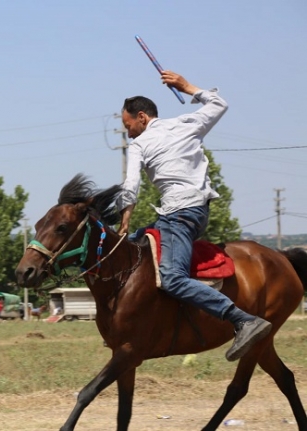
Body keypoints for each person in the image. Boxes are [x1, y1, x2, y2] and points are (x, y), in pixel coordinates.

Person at [116, 71, 271, 362]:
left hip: (178, 214)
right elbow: (219, 105)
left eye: (128, 125)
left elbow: (131, 186)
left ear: (141, 117)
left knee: (172, 280)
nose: (128, 133)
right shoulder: (185, 123)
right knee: (137, 245)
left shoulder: (139, 145)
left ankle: (242, 320)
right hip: (198, 211)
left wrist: (124, 219)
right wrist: (186, 86)